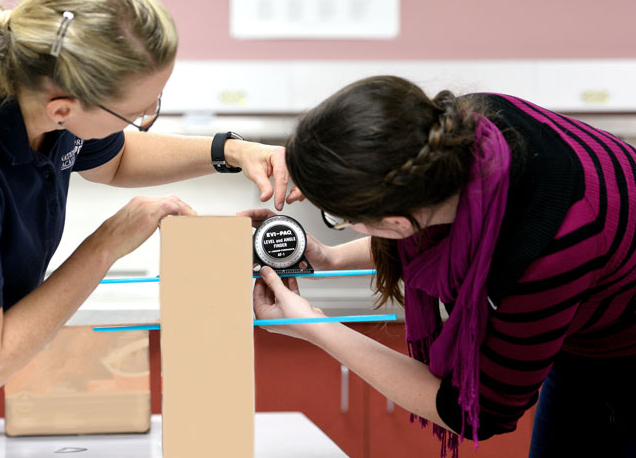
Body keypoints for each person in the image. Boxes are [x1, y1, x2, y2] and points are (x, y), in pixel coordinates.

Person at [0, 0, 302, 456]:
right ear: (63, 109)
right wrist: (107, 245)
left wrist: (231, 151)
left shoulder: (32, 93)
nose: (144, 120)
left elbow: (116, 158)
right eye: (138, 112)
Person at [244, 75, 636, 458]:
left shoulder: (547, 250)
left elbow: (477, 412)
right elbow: (442, 227)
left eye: (339, 218)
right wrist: (329, 256)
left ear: (396, 224)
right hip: (586, 312)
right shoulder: (466, 131)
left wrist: (317, 327)